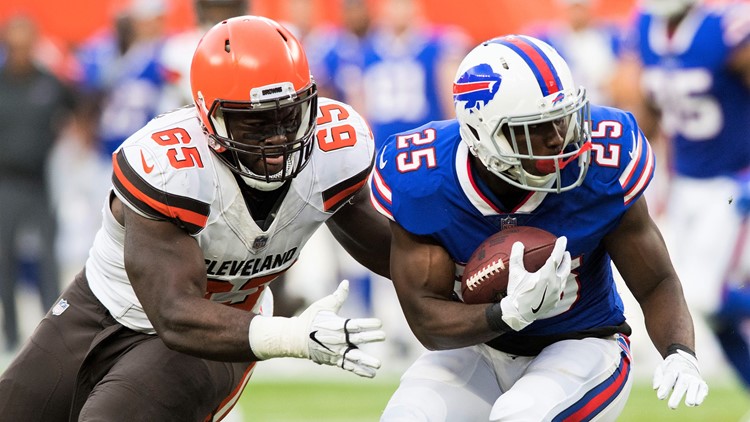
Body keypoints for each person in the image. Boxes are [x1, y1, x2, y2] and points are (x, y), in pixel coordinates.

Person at [0, 15, 390, 421]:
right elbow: (173, 311)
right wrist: (289, 336)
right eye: (255, 122)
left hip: (221, 328)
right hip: (113, 307)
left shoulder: (335, 150)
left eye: (289, 115)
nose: (277, 138)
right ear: (209, 117)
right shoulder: (169, 168)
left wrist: (454, 270)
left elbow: (389, 249)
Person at [369, 34, 708, 421]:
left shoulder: (604, 158)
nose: (559, 138)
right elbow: (426, 319)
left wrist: (680, 352)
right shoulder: (424, 180)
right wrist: (505, 314)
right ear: (484, 134)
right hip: (477, 347)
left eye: (563, 118)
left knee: (521, 416)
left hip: (584, 343)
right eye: (538, 127)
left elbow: (656, 281)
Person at [621, 0, 750, 388]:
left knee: (707, 297)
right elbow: (645, 115)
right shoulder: (644, 26)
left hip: (734, 181)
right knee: (708, 312)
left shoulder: (727, 26)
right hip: (685, 184)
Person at [0, 15, 75, 352]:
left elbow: (79, 106)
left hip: (42, 180)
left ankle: (50, 335)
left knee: (47, 258)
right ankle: (11, 334)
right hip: (5, 182)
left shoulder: (49, 83)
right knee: (4, 259)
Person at [159, 0, 249, 111]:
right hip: (194, 117)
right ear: (202, 9)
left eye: (227, 8)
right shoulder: (179, 47)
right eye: (213, 9)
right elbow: (175, 100)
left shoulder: (254, 41)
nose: (220, 15)